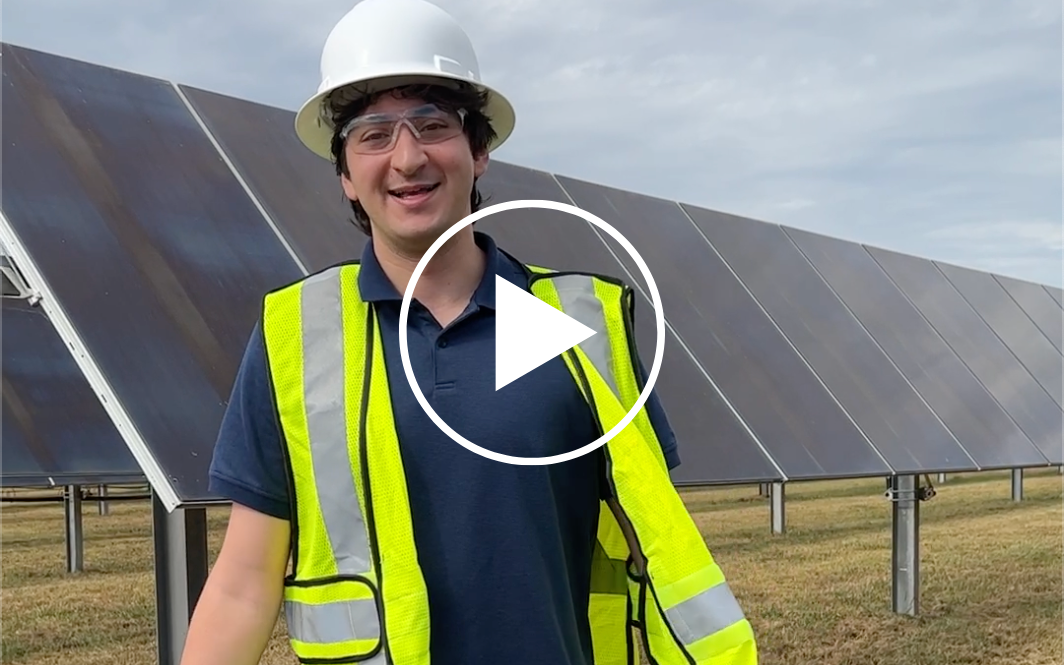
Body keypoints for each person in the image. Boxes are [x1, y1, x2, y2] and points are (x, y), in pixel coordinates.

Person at [180, 1, 757, 664]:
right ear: (344, 174)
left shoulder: (583, 324)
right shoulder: (297, 336)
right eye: (372, 135)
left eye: (432, 125)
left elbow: (658, 545)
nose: (406, 157)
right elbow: (245, 584)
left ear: (478, 151)